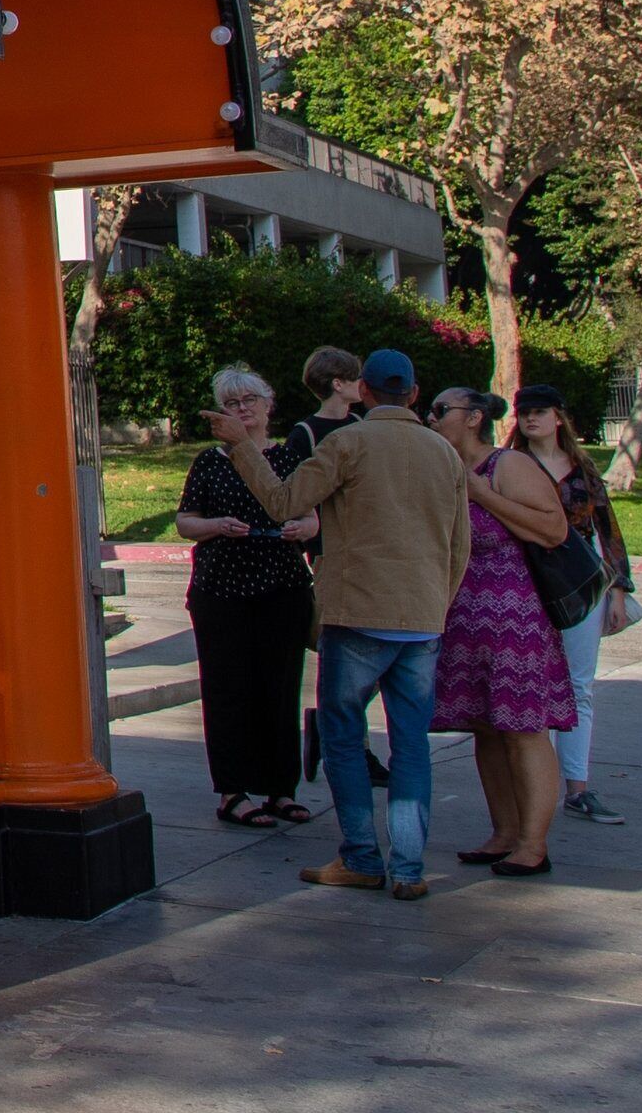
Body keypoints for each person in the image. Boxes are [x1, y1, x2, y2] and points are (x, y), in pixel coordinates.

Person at [213, 359, 474, 899]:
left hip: (356, 614)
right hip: (421, 619)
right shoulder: (443, 452)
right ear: (415, 393)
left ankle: (360, 856)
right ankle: (408, 869)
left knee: (344, 739)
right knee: (411, 747)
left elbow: (283, 502)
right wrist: (437, 606)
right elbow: (459, 544)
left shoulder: (348, 443)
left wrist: (240, 446)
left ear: (364, 391)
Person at [429, 387, 577, 876]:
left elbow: (554, 529)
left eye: (441, 410)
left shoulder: (507, 465)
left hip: (515, 618)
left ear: (474, 418)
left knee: (524, 728)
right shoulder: (444, 466)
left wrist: (483, 495)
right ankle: (504, 833)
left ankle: (534, 845)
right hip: (464, 618)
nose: (431, 417)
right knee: (486, 728)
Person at [175, 366, 321, 827]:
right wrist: (217, 526)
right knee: (227, 688)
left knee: (280, 688)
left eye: (249, 400)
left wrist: (301, 528)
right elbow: (185, 522)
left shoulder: (290, 458)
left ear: (268, 404)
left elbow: (313, 518)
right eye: (232, 403)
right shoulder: (210, 461)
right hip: (222, 586)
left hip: (281, 584)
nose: (242, 409)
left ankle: (281, 789)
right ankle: (233, 790)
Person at [512, 388, 632, 825]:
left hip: (579, 585)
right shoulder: (511, 465)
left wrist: (617, 589)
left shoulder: (582, 469)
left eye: (539, 412)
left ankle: (578, 788)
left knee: (579, 685)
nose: (531, 420)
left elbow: (607, 528)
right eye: (524, 413)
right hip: (526, 582)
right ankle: (535, 787)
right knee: (532, 686)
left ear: (558, 417)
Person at [283, 346, 367, 464]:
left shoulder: (359, 422)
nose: (362, 382)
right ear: (337, 384)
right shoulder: (303, 435)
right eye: (358, 377)